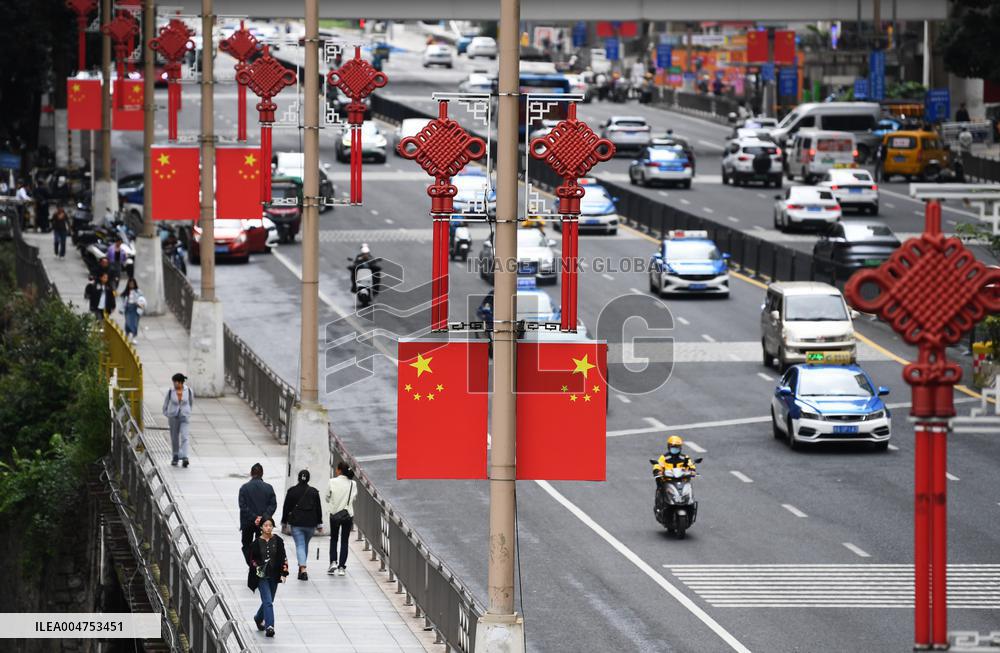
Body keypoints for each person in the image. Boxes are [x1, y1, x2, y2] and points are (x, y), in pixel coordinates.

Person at [280, 469, 323, 581]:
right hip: (311, 523)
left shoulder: (292, 491)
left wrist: (284, 522)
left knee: (300, 545)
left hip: (297, 523)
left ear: (298, 478)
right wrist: (319, 524)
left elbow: (286, 508)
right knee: (305, 545)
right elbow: (318, 508)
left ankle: (303, 569)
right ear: (308, 479)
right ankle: (301, 568)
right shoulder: (314, 492)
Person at [248, 517, 288, 638]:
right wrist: (257, 568)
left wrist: (284, 572)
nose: (268, 528)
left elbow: (283, 557)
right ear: (261, 527)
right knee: (268, 601)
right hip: (261, 576)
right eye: (265, 525)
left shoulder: (278, 541)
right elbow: (252, 560)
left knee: (269, 600)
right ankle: (269, 626)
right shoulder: (255, 544)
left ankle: (258, 617)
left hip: (274, 575)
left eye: (270, 525)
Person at [238, 463, 277, 565]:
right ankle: (259, 562)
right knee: (262, 544)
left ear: (251, 473)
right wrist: (263, 518)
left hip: (248, 522)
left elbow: (243, 506)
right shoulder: (269, 488)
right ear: (262, 473)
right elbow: (273, 505)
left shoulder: (244, 488)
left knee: (246, 544)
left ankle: (251, 563)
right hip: (264, 524)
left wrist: (254, 517)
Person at [325, 461, 357, 576]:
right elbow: (354, 498)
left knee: (334, 539)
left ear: (339, 470)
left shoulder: (332, 482)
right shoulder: (353, 484)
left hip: (334, 514)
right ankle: (342, 567)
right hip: (348, 515)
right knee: (344, 541)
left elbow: (327, 497)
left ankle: (333, 562)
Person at [162, 372, 194, 467]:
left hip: (184, 416)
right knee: (174, 437)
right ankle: (175, 455)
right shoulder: (170, 391)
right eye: (174, 382)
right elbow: (166, 404)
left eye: (176, 382)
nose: (174, 384)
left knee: (184, 436)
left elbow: (191, 402)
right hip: (173, 417)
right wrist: (167, 414)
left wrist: (188, 412)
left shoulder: (188, 391)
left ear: (180, 382)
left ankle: (185, 457)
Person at [120, 277, 146, 342]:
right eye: (130, 284)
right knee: (128, 322)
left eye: (132, 284)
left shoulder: (138, 292)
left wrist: (140, 304)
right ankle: (127, 333)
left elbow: (142, 300)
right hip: (128, 308)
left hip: (135, 308)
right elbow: (123, 301)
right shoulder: (126, 292)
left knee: (135, 323)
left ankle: (134, 336)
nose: (131, 285)